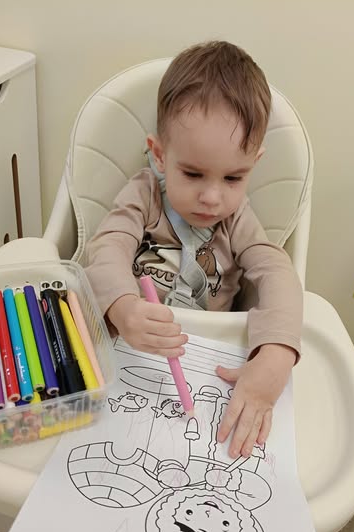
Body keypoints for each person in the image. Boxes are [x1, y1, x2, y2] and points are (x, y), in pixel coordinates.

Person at [85, 40, 303, 459]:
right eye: (193, 173)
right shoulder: (144, 195)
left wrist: (276, 354)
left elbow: (277, 271)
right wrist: (123, 307)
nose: (212, 198)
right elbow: (108, 247)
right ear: (159, 155)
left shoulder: (237, 219)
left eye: (233, 178)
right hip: (131, 350)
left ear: (254, 164)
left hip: (206, 362)